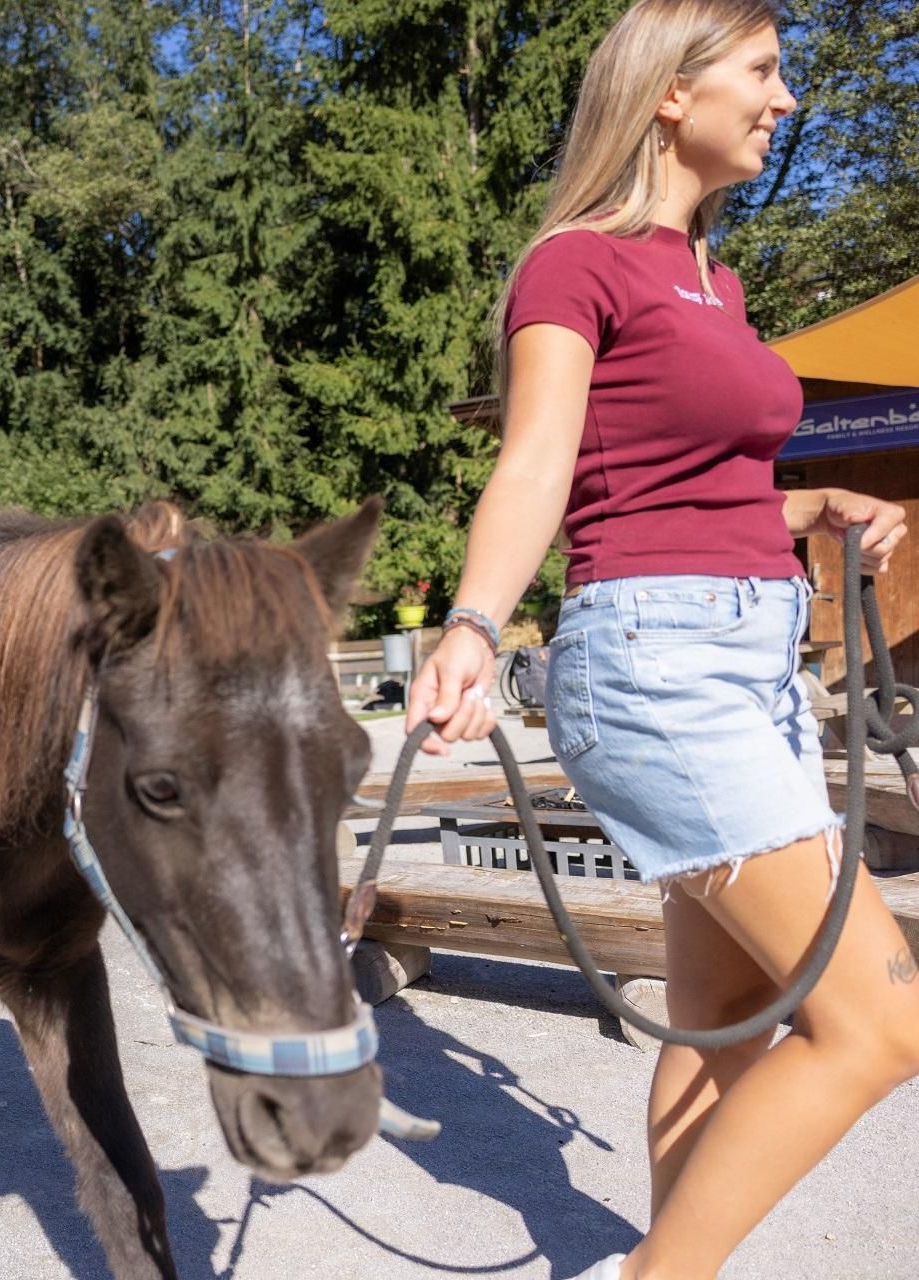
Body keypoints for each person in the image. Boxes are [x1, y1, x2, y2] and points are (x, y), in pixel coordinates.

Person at [404, 3, 919, 1277]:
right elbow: (541, 465)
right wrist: (471, 621)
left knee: (725, 1018)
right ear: (669, 95)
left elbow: (687, 472)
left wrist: (808, 502)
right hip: (657, 660)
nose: (785, 98)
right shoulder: (573, 263)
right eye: (762, 71)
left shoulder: (720, 280)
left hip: (758, 657)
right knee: (883, 1020)